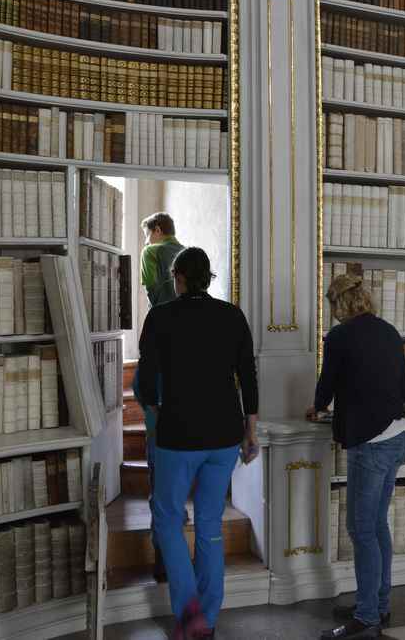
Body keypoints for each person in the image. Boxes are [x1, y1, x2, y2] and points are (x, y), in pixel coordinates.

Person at [138, 247, 259, 640]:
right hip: (225, 435)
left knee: (169, 520)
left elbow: (145, 383)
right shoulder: (232, 316)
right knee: (209, 523)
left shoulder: (160, 317)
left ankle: (188, 614)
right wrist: (250, 430)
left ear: (179, 278)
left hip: (177, 436)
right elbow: (248, 377)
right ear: (208, 278)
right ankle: (206, 616)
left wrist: (154, 407)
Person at [307, 273, 405, 640]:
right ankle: (378, 604)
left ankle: (367, 616)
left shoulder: (339, 337)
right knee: (377, 525)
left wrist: (317, 408)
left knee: (361, 529)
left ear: (339, 304)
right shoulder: (389, 330)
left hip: (371, 442)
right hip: (399, 435)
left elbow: (327, 385)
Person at [134, 212, 185, 581]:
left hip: (162, 417)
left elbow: (151, 290)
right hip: (195, 422)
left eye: (147, 233)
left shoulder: (151, 254)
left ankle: (164, 560)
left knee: (160, 483)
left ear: (156, 230)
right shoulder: (185, 251)